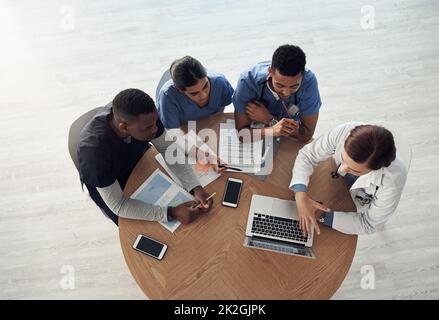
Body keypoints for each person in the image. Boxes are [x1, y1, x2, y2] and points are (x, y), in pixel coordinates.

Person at [77, 88, 213, 226]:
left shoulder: (146, 118)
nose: (155, 129)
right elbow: (119, 205)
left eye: (155, 122)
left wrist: (195, 186)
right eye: (148, 128)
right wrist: (170, 213)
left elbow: (167, 148)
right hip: (111, 183)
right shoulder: (94, 154)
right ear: (124, 128)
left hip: (139, 161)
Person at [289, 122, 408, 235]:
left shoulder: (392, 180)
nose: (344, 169)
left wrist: (320, 214)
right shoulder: (345, 132)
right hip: (332, 185)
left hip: (352, 206)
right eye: (344, 159)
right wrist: (300, 193)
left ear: (376, 169)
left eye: (355, 170)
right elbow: (307, 155)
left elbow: (369, 224)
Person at [232, 44, 322, 142]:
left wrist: (269, 120)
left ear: (303, 76)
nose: (286, 93)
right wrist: (272, 130)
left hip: (283, 129)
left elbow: (306, 135)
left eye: (294, 86)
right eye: (280, 85)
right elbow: (242, 135)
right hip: (270, 127)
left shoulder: (308, 82)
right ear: (270, 71)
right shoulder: (248, 82)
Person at [157, 56, 234, 129]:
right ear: (179, 90)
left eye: (206, 86)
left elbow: (225, 109)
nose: (203, 95)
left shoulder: (219, 82)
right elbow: (173, 133)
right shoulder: (168, 97)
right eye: (194, 93)